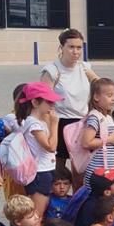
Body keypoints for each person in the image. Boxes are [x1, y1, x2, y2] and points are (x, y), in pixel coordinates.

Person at [41, 29, 98, 168]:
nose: (75, 51)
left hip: (83, 122)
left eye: (79, 47)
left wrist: (94, 78)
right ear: (61, 48)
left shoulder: (84, 67)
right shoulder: (52, 70)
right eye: (71, 47)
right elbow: (43, 101)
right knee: (58, 167)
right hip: (60, 122)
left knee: (80, 168)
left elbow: (102, 87)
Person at [13, 81, 61, 220]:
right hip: (40, 172)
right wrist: (54, 124)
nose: (52, 106)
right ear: (35, 103)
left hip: (45, 169)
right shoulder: (33, 123)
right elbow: (51, 146)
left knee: (40, 212)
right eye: (49, 102)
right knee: (36, 215)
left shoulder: (38, 121)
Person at [80, 78, 114, 187]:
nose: (113, 99)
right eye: (109, 96)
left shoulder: (107, 117)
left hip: (107, 170)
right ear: (96, 97)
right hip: (97, 172)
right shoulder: (95, 117)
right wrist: (109, 139)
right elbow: (86, 142)